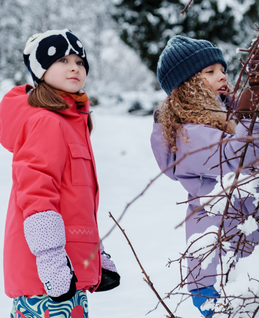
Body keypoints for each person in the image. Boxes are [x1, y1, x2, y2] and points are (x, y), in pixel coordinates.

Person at [151, 35, 259, 317]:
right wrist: (253, 118)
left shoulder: (230, 121)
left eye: (222, 69)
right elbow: (240, 158)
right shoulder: (188, 133)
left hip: (252, 259)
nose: (222, 75)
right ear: (187, 87)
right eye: (209, 72)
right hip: (219, 272)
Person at [0, 29, 120, 318]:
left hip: (68, 274)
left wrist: (95, 256)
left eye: (80, 62)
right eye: (63, 60)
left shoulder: (71, 122)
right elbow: (37, 194)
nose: (74, 67)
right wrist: (51, 260)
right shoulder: (46, 121)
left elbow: (76, 201)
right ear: (41, 71)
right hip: (45, 277)